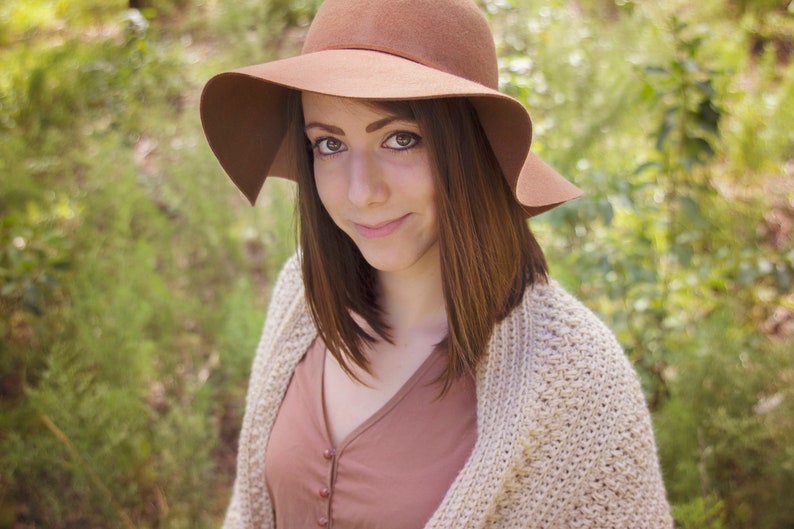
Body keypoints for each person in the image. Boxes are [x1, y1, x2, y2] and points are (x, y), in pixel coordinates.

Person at [199, 0, 673, 527]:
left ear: (470, 148)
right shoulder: (301, 296)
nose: (362, 192)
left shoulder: (578, 381)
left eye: (401, 139)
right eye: (329, 143)